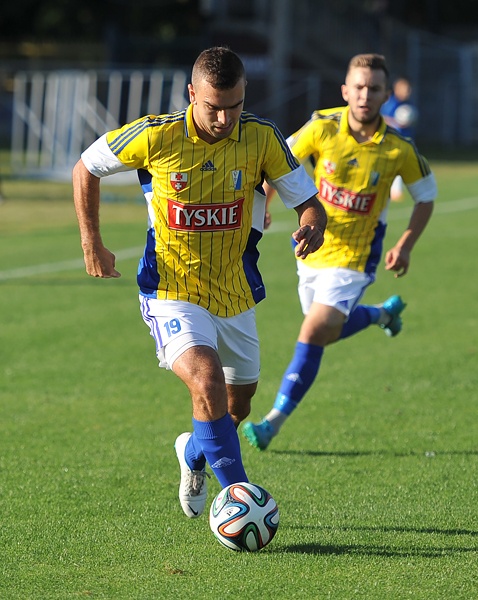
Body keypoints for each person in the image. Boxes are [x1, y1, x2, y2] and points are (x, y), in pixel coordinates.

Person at [72, 46, 327, 519]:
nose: (226, 118)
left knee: (236, 407)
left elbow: (308, 200)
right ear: (192, 93)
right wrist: (92, 241)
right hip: (171, 290)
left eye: (235, 105)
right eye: (214, 107)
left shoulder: (262, 136)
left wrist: (312, 223)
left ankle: (193, 453)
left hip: (235, 292)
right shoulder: (156, 136)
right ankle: (240, 499)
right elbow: (86, 166)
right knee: (205, 380)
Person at [241, 53, 436, 451]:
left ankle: (272, 423)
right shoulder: (321, 127)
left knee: (313, 330)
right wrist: (264, 207)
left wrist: (404, 244)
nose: (365, 95)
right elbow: (277, 161)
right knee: (324, 331)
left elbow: (426, 197)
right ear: (346, 90)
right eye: (359, 87)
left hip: (356, 258)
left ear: (386, 95)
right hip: (312, 249)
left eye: (374, 88)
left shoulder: (399, 148)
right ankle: (382, 313)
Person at [380, 77, 418, 201]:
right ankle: (392, 190)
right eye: (405, 89)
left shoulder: (409, 104)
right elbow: (382, 119)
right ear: (397, 89)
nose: (407, 92)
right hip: (390, 140)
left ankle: (397, 190)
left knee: (401, 164)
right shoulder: (390, 103)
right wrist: (397, 122)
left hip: (405, 140)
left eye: (409, 89)